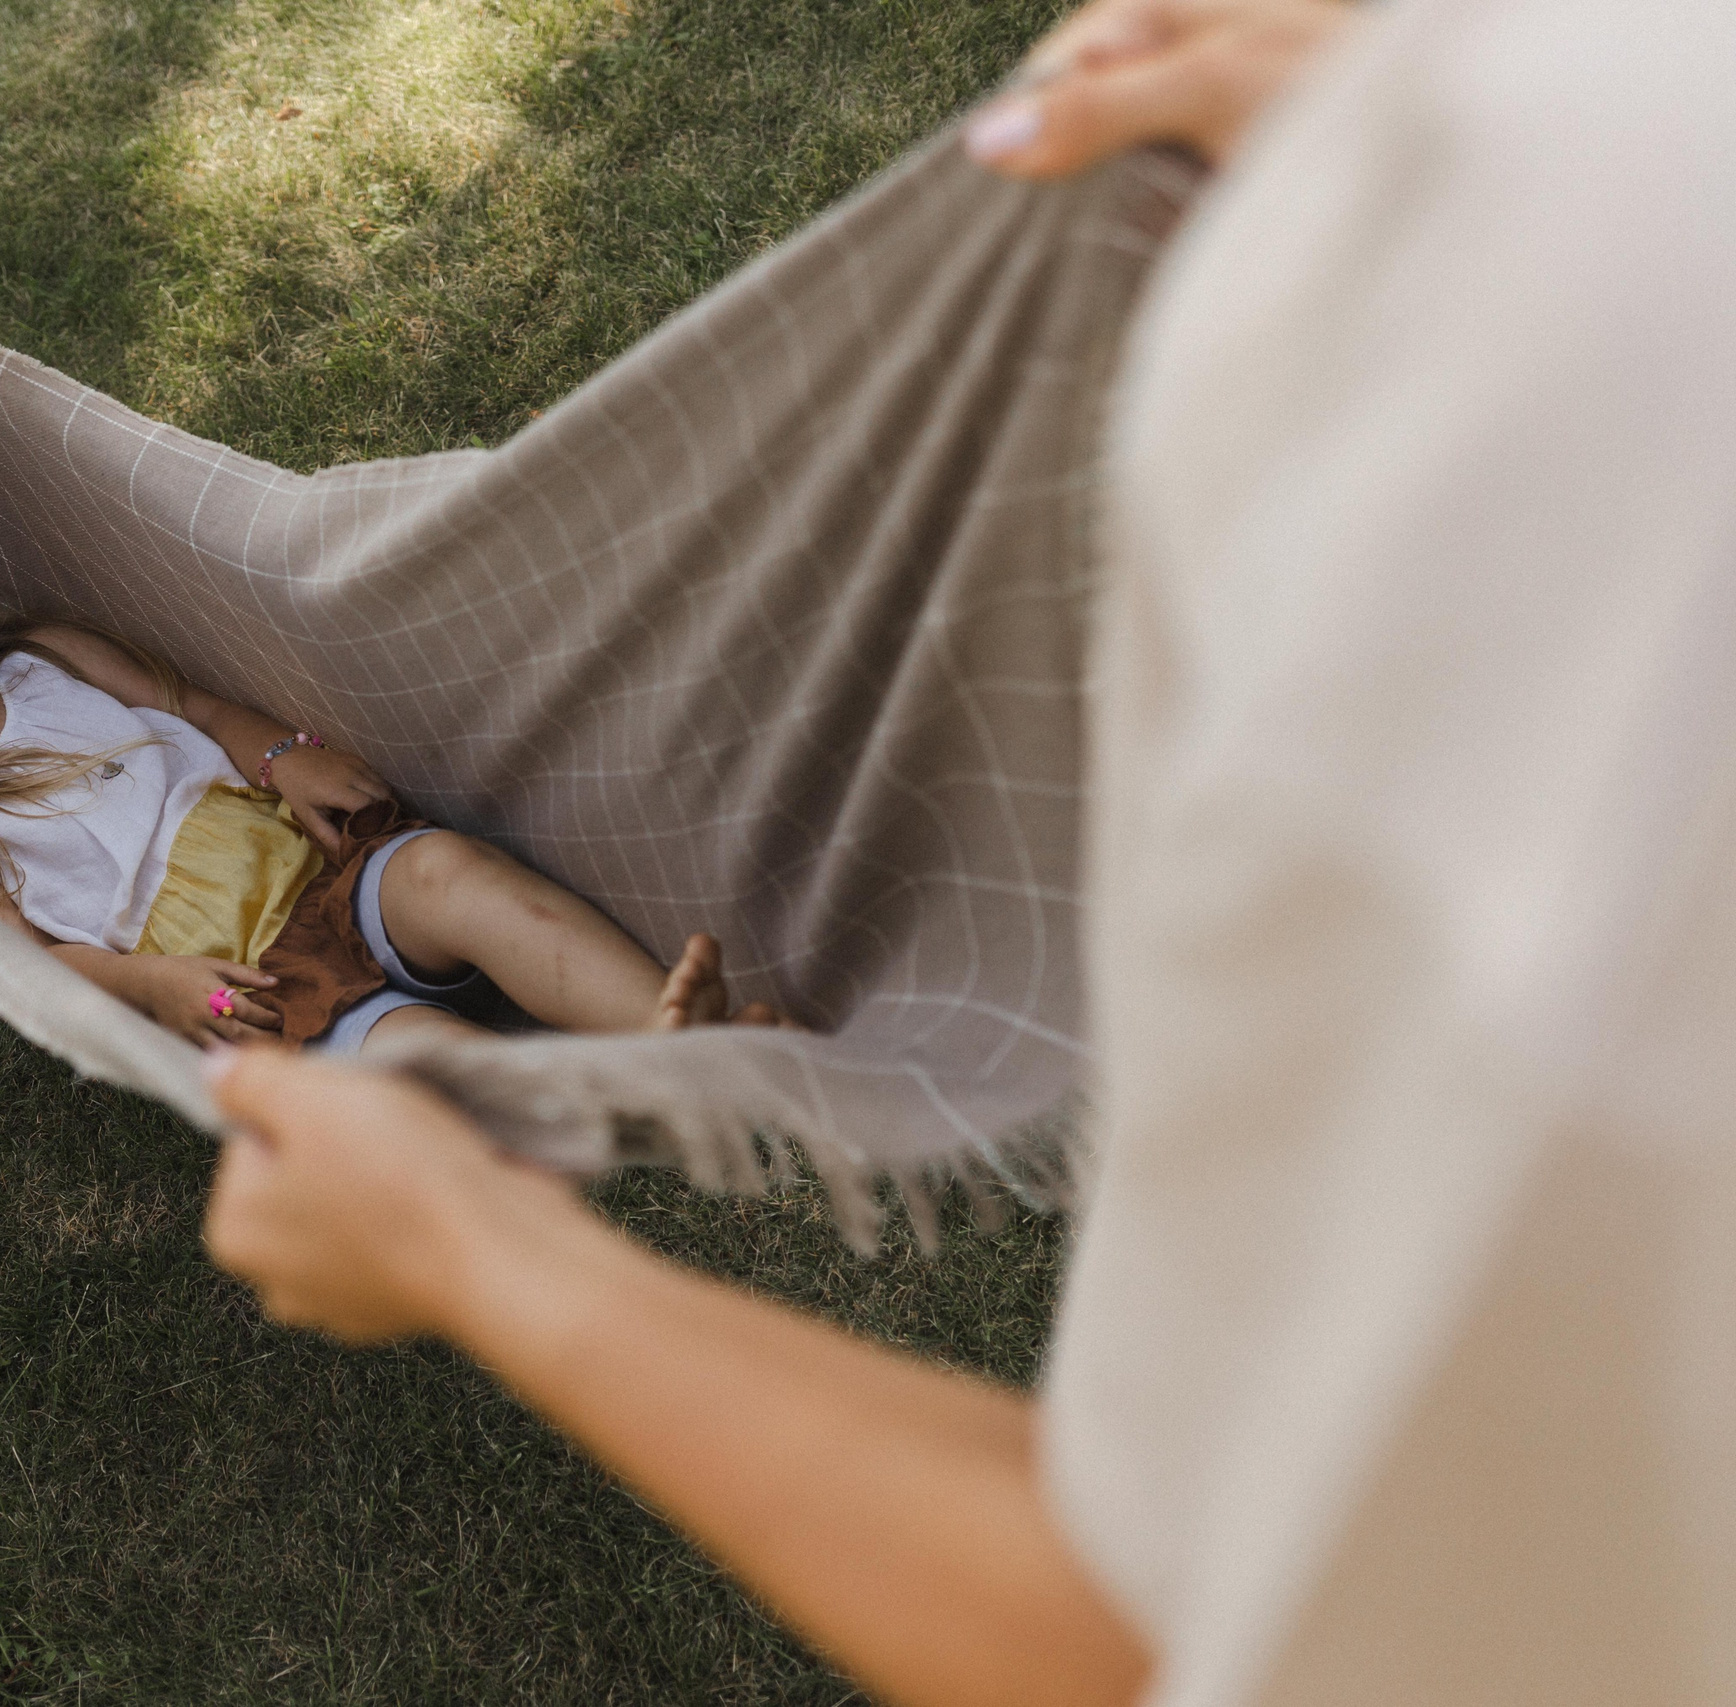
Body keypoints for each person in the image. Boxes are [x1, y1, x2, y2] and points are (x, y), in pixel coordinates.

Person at [201, 1, 1736, 1704]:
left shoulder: (1563, 891)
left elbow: (1156, 1631)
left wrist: (474, 1249)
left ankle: (661, 1046)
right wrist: (1452, 125)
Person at [0, 527, 773, 1050]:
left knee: (450, 872)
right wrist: (147, 990)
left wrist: (281, 753)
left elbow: (201, 709)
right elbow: (23, 959)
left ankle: (676, 1036)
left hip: (320, 868)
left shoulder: (44, 657)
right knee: (414, 1066)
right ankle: (592, 1107)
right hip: (235, 989)